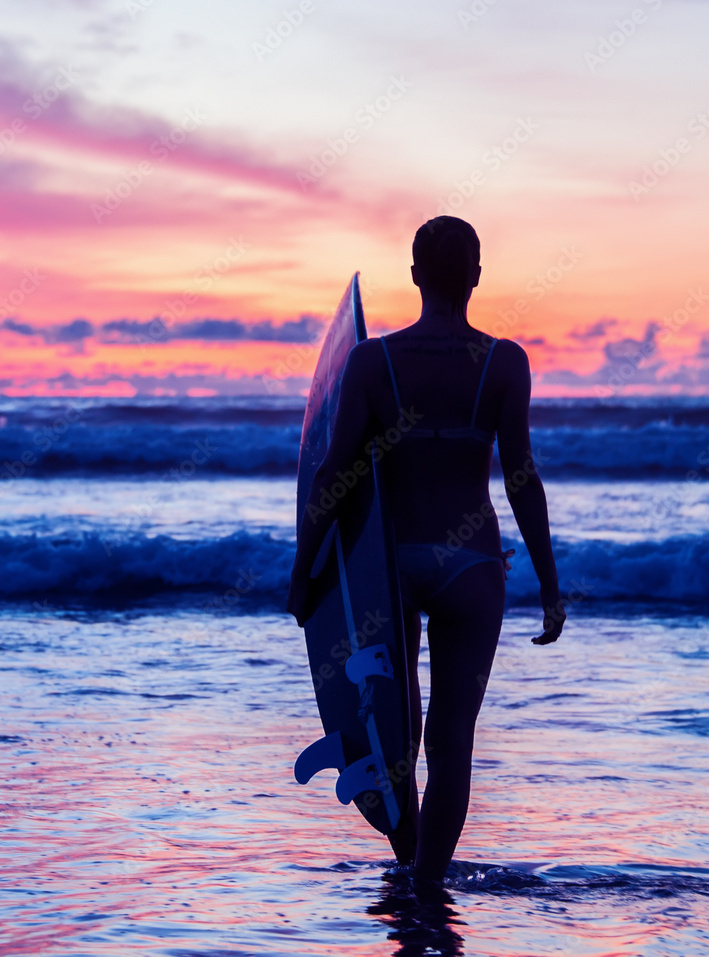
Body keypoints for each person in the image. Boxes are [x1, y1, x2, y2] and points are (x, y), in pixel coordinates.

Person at [287, 215, 563, 884]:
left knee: (395, 732)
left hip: (395, 566)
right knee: (452, 738)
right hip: (473, 566)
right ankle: (427, 880)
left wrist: (306, 571)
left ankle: (410, 862)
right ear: (475, 275)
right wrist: (551, 585)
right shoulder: (504, 362)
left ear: (415, 275)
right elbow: (521, 477)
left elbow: (333, 473)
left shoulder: (373, 362)